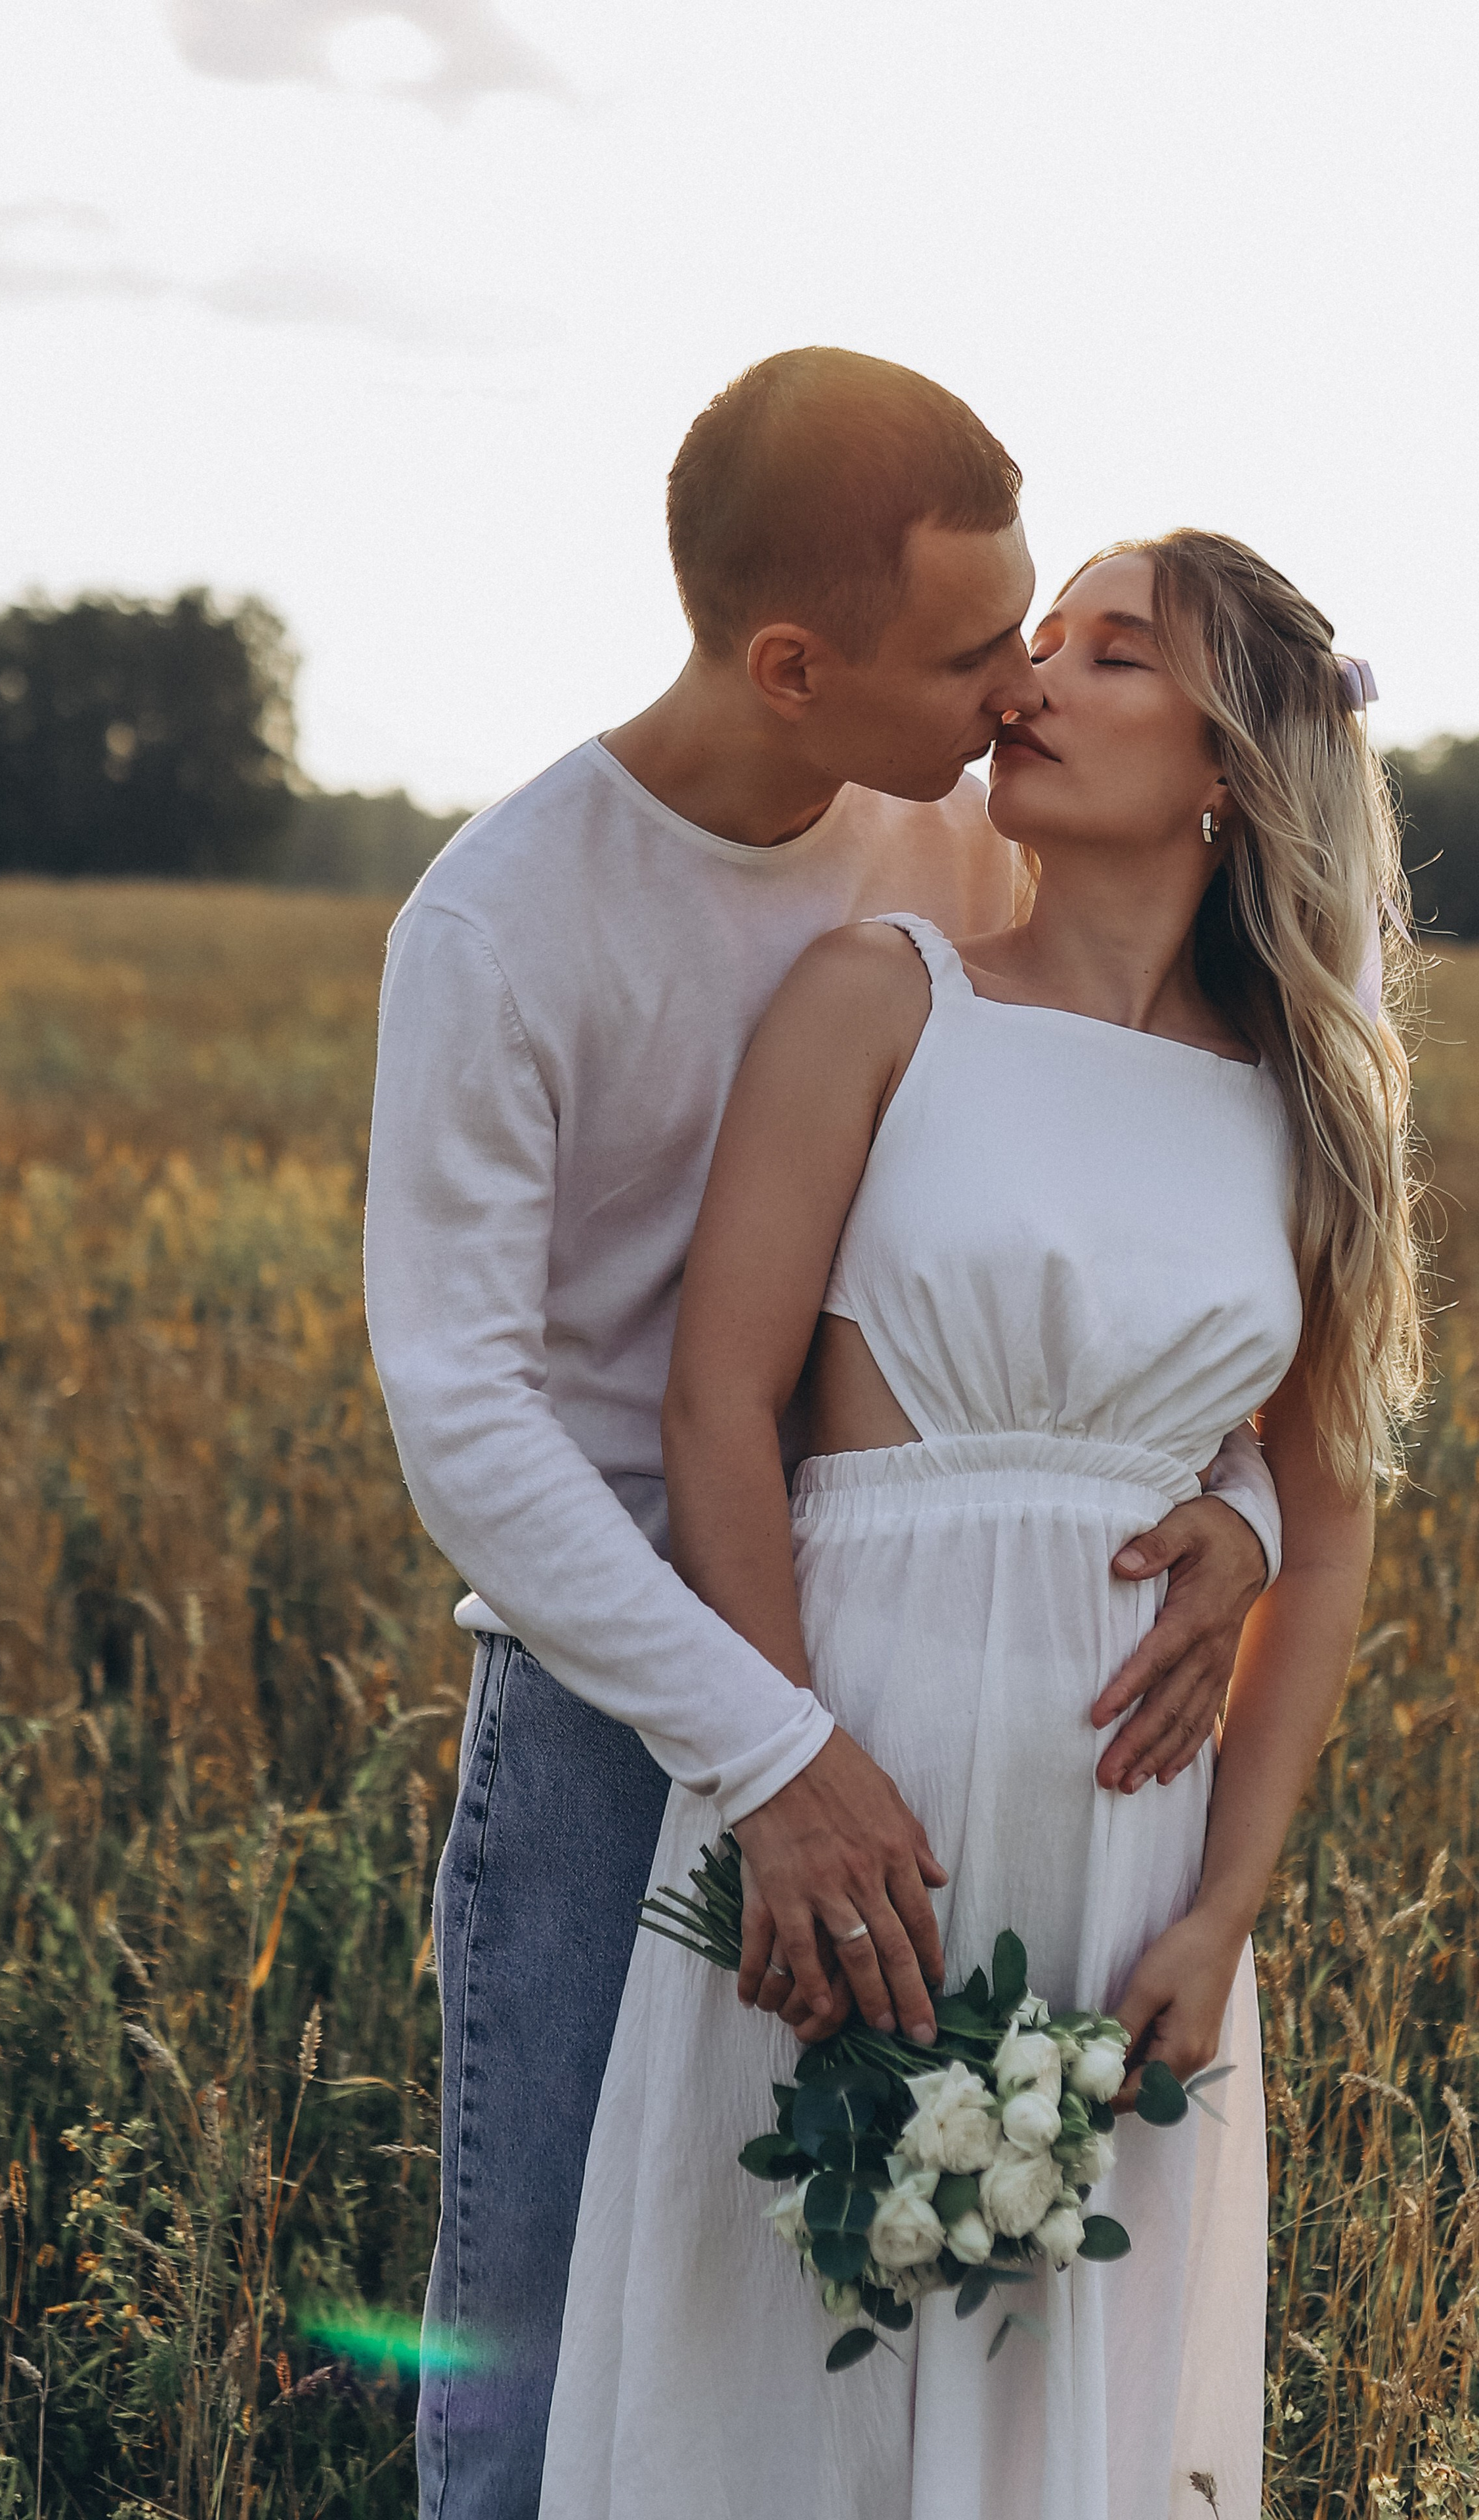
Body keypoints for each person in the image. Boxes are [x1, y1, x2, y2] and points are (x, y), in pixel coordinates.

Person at [363, 352, 1282, 2519]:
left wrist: (1230, 1495)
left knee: (884, 2366)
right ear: (796, 664)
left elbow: (1106, 1209)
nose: (1019, 688)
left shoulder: (958, 827)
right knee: (550, 2347)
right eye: (978, 651)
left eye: (1046, 630)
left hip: (928, 1679)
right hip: (622, 1697)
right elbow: (469, 1423)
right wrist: (760, 1746)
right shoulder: (500, 929)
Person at [539, 531, 1422, 2519]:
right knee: (773, 2378)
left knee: (1054, 2409)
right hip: (856, 1792)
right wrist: (780, 1779)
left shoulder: (1306, 1096)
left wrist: (1226, 1912)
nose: (1032, 677)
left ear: (1230, 767)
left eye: (1112, 655)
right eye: (1044, 640)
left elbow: (1334, 1503)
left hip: (1130, 1852)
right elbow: (717, 1410)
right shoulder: (883, 995)